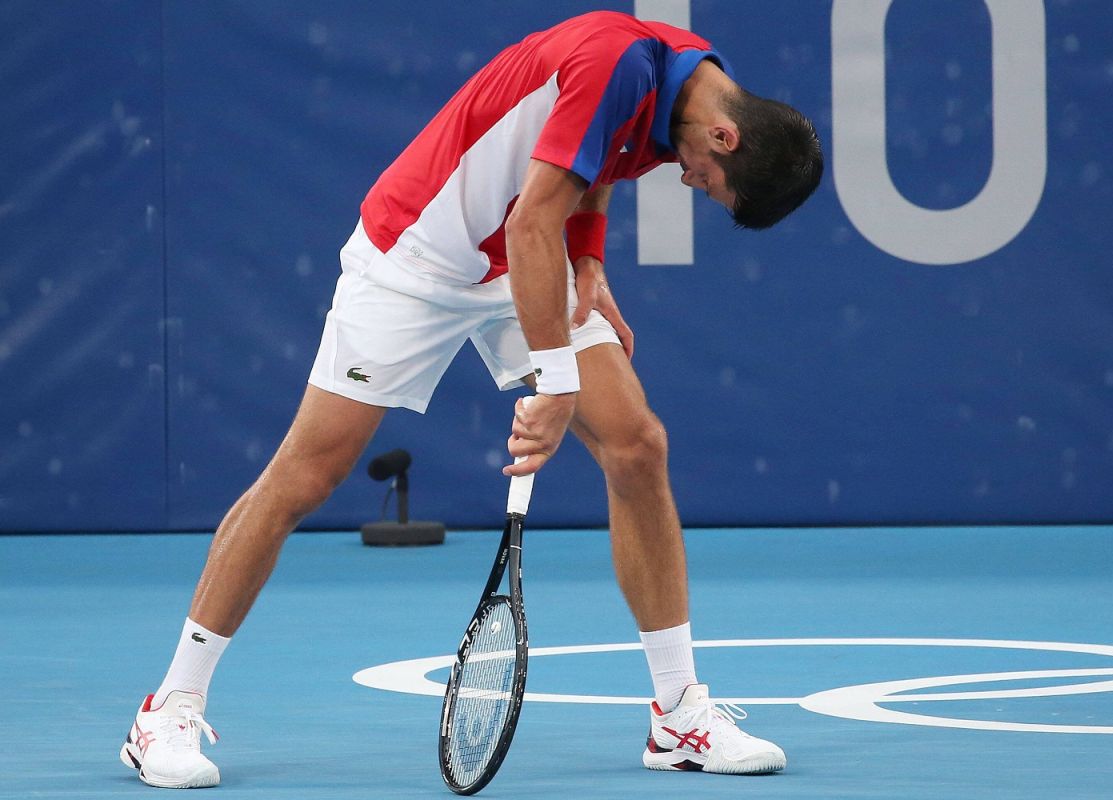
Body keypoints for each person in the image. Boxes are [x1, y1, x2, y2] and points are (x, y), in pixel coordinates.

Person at [119, 10, 822, 789]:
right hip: (417, 256)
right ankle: (167, 708)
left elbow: (587, 176)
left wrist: (587, 263)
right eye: (707, 183)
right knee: (307, 475)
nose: (692, 184)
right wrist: (554, 382)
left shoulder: (686, 93)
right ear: (726, 138)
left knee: (637, 445)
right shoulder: (624, 62)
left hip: (522, 251)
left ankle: (679, 714)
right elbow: (532, 221)